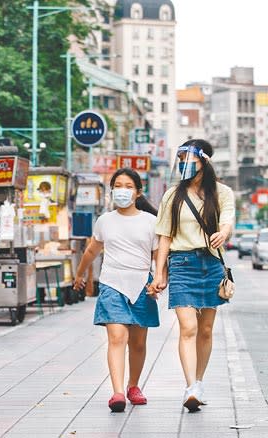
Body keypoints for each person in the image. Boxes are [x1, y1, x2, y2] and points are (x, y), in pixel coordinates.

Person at [150, 139, 235, 413]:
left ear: (204, 162)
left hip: (210, 263)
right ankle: (191, 387)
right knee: (188, 327)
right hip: (182, 263)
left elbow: (227, 221)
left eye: (189, 159)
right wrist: (159, 273)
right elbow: (164, 237)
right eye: (181, 158)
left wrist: (224, 232)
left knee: (206, 329)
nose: (184, 164)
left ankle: (199, 381)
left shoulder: (221, 192)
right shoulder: (172, 195)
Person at [74, 168, 160, 413]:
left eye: (128, 186)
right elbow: (92, 251)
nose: (123, 190)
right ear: (112, 190)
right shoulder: (105, 221)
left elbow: (157, 255)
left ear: (138, 192)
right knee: (116, 338)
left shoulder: (150, 221)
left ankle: (134, 385)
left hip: (142, 285)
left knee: (138, 343)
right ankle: (118, 392)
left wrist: (159, 280)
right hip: (112, 283)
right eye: (118, 185)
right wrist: (80, 274)